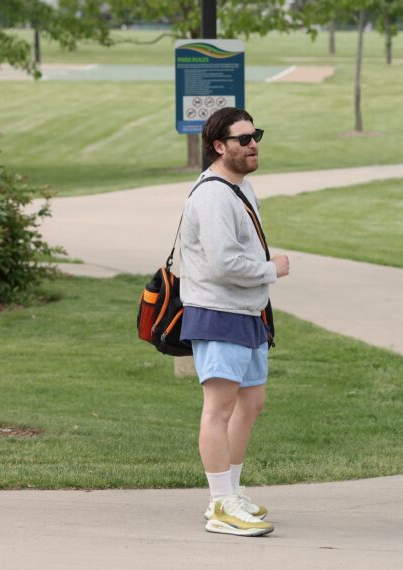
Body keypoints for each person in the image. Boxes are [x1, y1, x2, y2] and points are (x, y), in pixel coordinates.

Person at [178, 107, 290, 537]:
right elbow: (223, 262)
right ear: (219, 146)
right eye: (242, 139)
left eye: (255, 135)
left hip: (247, 312)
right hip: (218, 311)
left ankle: (233, 491)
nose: (253, 144)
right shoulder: (212, 195)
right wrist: (269, 268)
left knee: (251, 402)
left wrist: (262, 272)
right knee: (220, 407)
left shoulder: (240, 188)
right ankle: (220, 503)